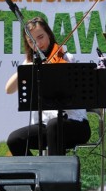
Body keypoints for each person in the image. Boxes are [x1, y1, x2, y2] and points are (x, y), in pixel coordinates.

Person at [5, 17, 91, 156]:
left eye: (41, 37)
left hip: (74, 124)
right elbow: (9, 89)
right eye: (32, 42)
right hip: (45, 126)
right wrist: (28, 67)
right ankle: (33, 174)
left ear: (49, 35)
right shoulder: (30, 62)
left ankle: (54, 176)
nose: (38, 44)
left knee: (54, 125)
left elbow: (74, 91)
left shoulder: (66, 57)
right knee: (14, 140)